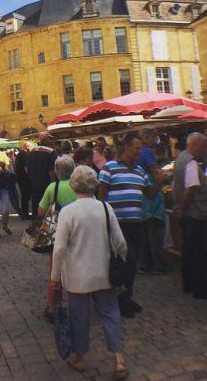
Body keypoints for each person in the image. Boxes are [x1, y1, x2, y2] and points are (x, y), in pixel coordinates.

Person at [51, 165, 128, 377]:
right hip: (103, 272)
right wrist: (122, 263)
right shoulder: (105, 208)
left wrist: (55, 277)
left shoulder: (67, 212)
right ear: (94, 184)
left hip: (77, 276)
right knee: (110, 314)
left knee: (79, 317)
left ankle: (78, 356)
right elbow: (120, 242)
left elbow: (59, 249)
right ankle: (118, 359)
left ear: (74, 185)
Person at [98, 133, 160, 318]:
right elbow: (101, 197)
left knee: (132, 262)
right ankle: (120, 299)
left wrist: (158, 182)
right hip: (118, 224)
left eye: (140, 148)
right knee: (127, 260)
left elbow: (149, 194)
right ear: (126, 147)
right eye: (137, 148)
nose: (140, 151)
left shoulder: (140, 171)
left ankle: (126, 297)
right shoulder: (109, 168)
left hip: (136, 223)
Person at [172, 132, 207, 300]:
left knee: (188, 251)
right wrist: (183, 207)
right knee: (198, 253)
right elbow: (191, 188)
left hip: (187, 215)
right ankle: (201, 289)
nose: (204, 150)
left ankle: (188, 284)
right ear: (193, 144)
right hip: (194, 214)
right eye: (202, 147)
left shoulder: (180, 159)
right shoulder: (191, 163)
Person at [38, 155, 77, 321]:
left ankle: (53, 305)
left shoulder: (53, 187)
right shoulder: (79, 186)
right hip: (78, 233)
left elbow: (41, 211)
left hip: (58, 234)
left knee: (56, 270)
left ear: (56, 171)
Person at [137, 130, 167, 275]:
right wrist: (161, 178)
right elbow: (157, 174)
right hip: (151, 198)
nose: (155, 141)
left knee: (144, 233)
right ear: (145, 137)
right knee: (155, 232)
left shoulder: (137, 154)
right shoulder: (147, 152)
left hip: (141, 197)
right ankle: (158, 265)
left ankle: (144, 264)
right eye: (154, 137)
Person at [28, 132, 58, 219]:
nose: (52, 141)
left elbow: (28, 169)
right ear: (46, 140)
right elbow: (51, 170)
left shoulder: (33, 151)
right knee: (46, 208)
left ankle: (35, 226)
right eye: (50, 139)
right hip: (46, 185)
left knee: (35, 206)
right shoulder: (51, 152)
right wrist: (54, 184)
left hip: (34, 184)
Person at [15, 141, 33, 220]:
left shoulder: (19, 154)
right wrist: (31, 176)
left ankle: (24, 213)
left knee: (24, 196)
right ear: (27, 147)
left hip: (20, 178)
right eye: (31, 147)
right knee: (26, 196)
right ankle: (25, 214)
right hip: (25, 179)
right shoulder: (25, 154)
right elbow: (26, 168)